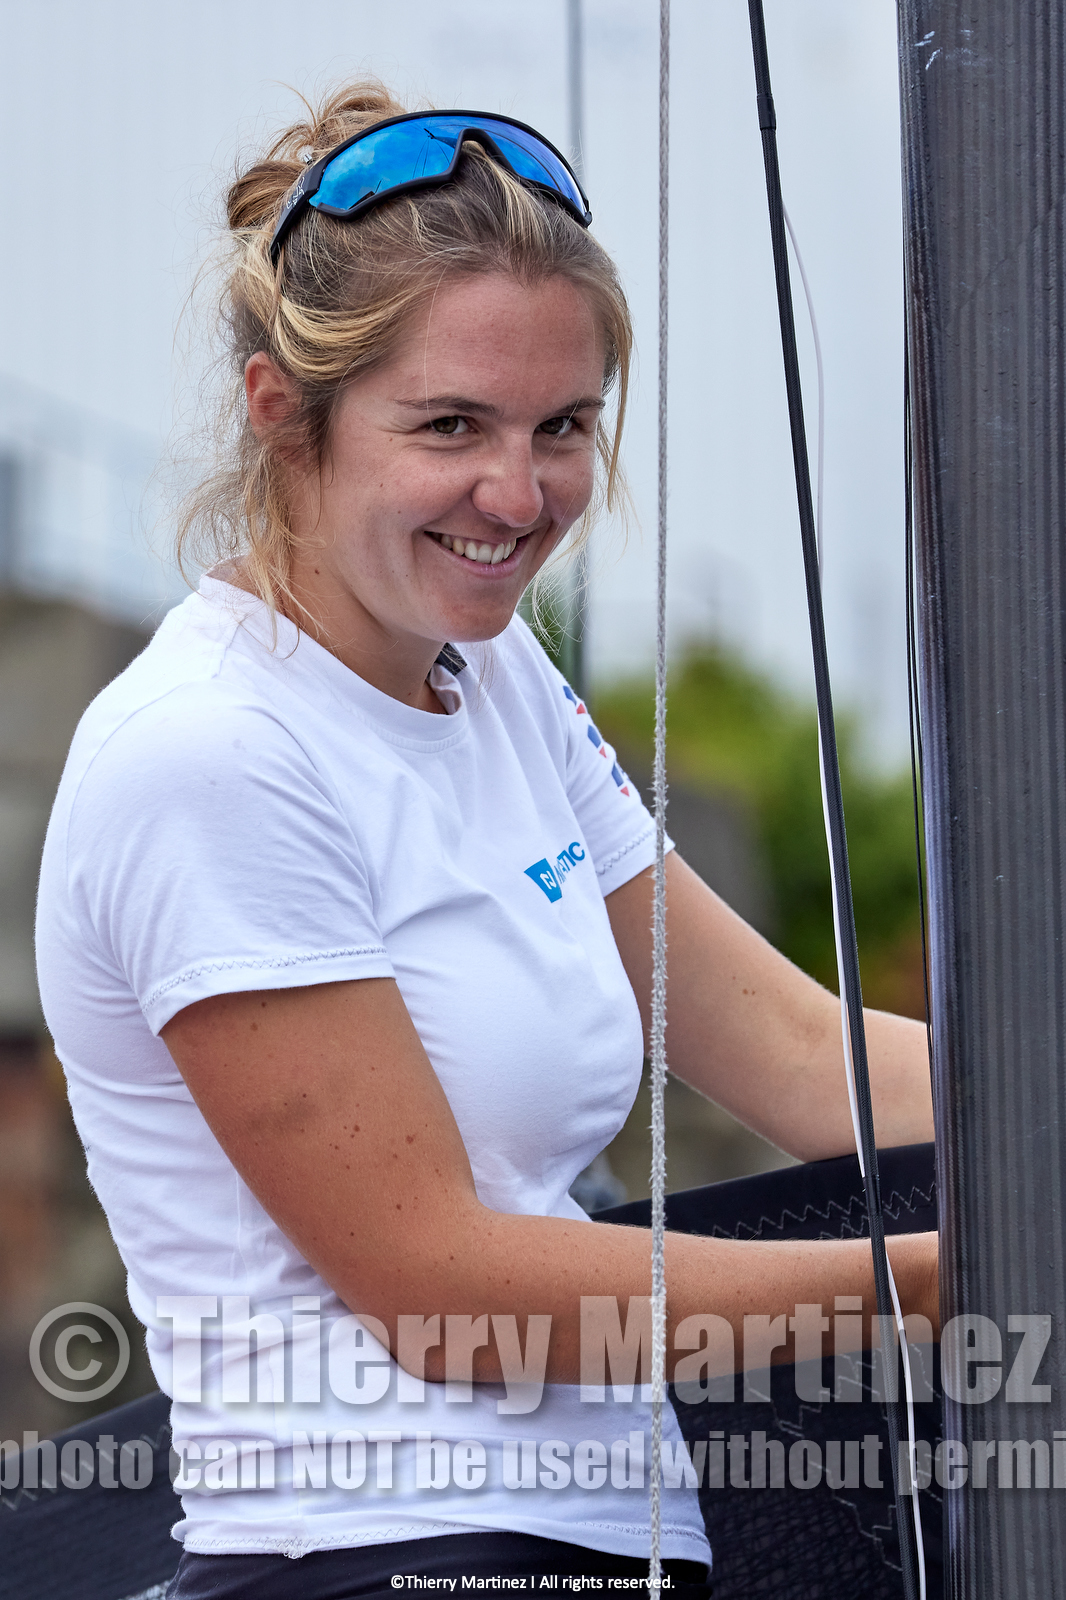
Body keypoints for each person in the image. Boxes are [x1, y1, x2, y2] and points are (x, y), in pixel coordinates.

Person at [35, 82, 937, 1599]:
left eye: (562, 429)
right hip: (369, 1551)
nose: (517, 496)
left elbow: (803, 1055)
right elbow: (435, 1287)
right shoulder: (212, 750)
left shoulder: (498, 678)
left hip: (605, 1541)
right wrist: (920, 1283)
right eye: (450, 425)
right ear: (284, 414)